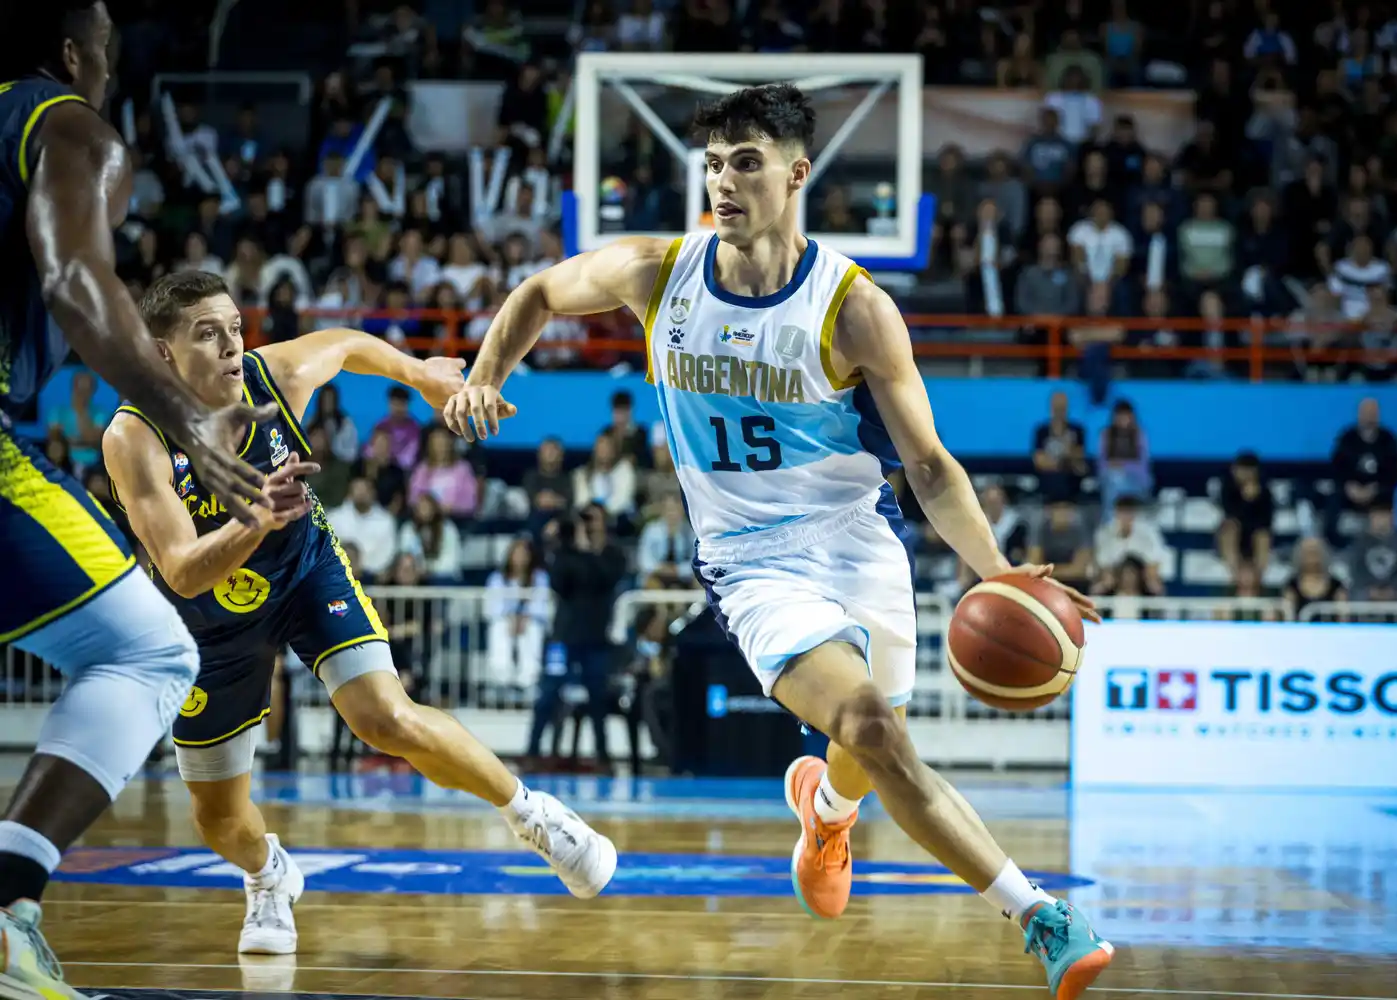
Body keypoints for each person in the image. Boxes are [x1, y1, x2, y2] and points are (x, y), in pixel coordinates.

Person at [446, 83, 1112, 997]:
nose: (724, 182)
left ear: (797, 175)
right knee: (874, 727)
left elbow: (928, 465)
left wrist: (997, 574)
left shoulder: (855, 308)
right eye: (714, 164)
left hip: (859, 539)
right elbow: (537, 293)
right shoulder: (657, 273)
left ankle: (826, 814)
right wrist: (486, 375)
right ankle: (1039, 916)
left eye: (747, 163)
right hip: (750, 561)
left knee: (865, 755)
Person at [101, 272, 617, 957]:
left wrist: (420, 373)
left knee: (384, 716)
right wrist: (256, 517)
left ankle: (535, 815)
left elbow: (345, 344)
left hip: (302, 570)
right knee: (219, 820)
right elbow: (182, 569)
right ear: (162, 352)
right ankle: (268, 875)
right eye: (207, 333)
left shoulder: (273, 377)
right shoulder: (134, 436)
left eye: (234, 327)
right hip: (205, 617)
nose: (231, 345)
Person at [0, 8, 280, 997]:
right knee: (148, 649)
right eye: (109, 52)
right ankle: (6, 907)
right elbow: (76, 278)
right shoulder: (64, 123)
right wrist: (187, 417)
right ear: (74, 53)